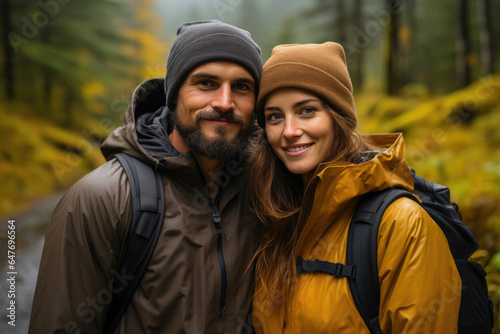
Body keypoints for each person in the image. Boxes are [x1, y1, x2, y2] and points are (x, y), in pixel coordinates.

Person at [29, 20, 262, 333]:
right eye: (205, 83)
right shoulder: (103, 198)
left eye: (241, 87)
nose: (224, 102)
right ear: (174, 94)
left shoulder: (266, 188)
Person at [248, 42, 462, 333]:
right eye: (275, 116)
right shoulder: (274, 216)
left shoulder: (400, 223)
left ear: (340, 118)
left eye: (307, 111)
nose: (289, 131)